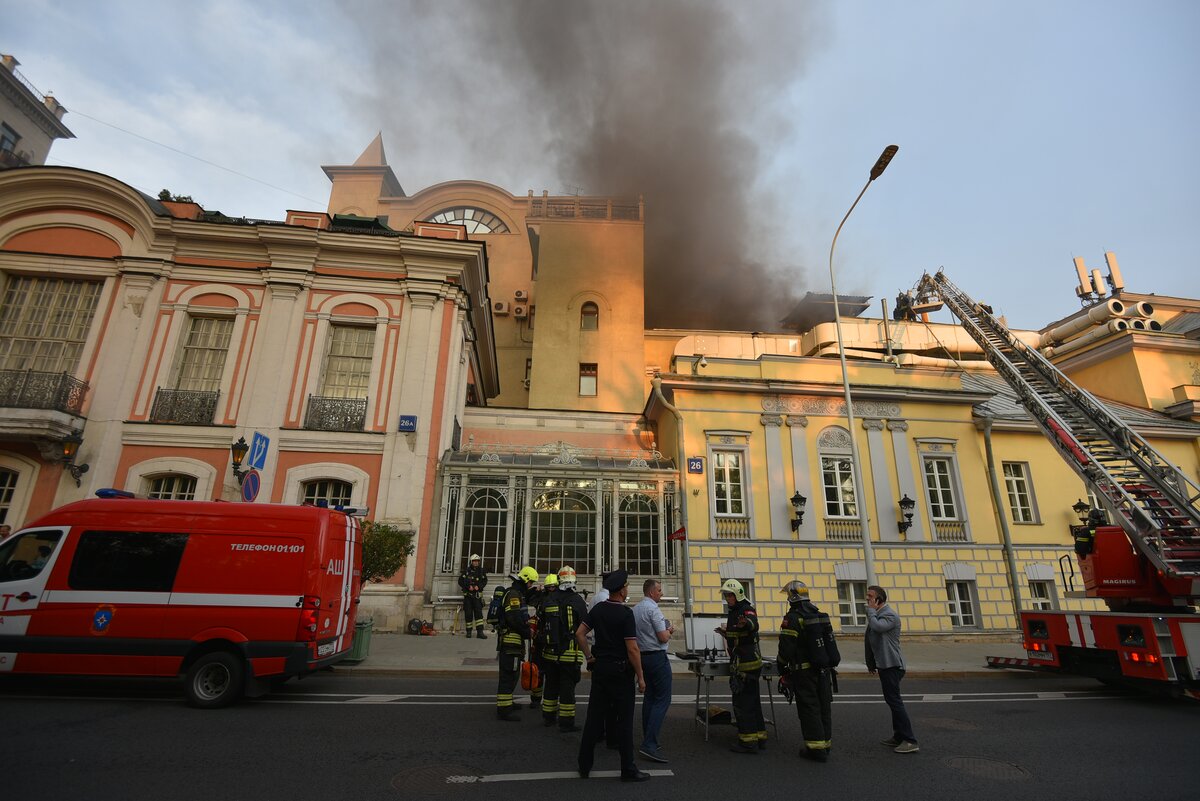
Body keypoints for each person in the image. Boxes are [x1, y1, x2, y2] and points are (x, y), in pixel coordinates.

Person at [576, 569, 649, 782]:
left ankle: (584, 765)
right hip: (620, 673)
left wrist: (589, 656)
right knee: (624, 722)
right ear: (622, 590)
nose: (627, 589)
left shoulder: (598, 609)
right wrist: (641, 676)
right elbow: (633, 649)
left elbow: (580, 634)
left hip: (600, 670)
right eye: (626, 586)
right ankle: (628, 769)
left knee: (594, 719)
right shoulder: (626, 614)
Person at [777, 580, 835, 762]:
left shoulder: (793, 618)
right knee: (823, 706)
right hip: (824, 670)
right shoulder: (819, 614)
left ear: (792, 597)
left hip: (804, 673)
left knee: (809, 708)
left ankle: (815, 750)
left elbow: (786, 649)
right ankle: (825, 745)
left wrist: (780, 665)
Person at [865, 585, 919, 754]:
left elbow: (878, 628)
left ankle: (910, 740)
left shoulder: (889, 615)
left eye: (870, 597)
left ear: (878, 599)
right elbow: (870, 641)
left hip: (893, 665)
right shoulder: (878, 615)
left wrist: (871, 612)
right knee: (892, 700)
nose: (867, 599)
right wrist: (871, 663)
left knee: (895, 701)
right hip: (884, 665)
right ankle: (898, 736)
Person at [717, 578, 766, 753]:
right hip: (745, 662)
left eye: (729, 595)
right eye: (726, 595)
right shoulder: (735, 610)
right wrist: (726, 633)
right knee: (752, 702)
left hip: (746, 665)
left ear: (737, 595)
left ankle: (748, 742)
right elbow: (737, 633)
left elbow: (753, 623)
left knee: (743, 703)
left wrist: (747, 623)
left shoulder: (745, 609)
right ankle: (760, 737)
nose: (726, 598)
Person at [539, 565, 588, 731]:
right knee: (567, 689)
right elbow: (585, 626)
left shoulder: (549, 599)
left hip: (550, 653)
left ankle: (548, 717)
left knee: (551, 685)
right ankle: (566, 723)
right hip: (569, 654)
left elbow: (540, 622)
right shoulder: (577, 601)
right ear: (574, 581)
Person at [633, 578, 673, 764]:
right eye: (659, 590)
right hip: (657, 658)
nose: (661, 593)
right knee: (662, 699)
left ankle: (650, 740)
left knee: (649, 698)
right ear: (651, 592)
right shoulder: (653, 609)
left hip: (642, 657)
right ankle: (649, 744)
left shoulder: (636, 609)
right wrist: (670, 630)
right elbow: (663, 637)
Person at [496, 565, 540, 721]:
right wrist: (528, 632)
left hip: (513, 643)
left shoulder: (517, 593)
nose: (531, 585)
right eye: (531, 583)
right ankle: (504, 710)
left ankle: (507, 703)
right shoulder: (514, 595)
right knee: (508, 675)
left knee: (513, 674)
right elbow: (513, 618)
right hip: (510, 642)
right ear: (526, 580)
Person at [457, 553, 488, 639]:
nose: (476, 563)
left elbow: (485, 581)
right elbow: (460, 581)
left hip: (477, 597)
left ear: (479, 562)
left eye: (477, 561)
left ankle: (480, 632)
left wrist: (479, 586)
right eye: (474, 561)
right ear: (471, 562)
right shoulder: (466, 571)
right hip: (468, 597)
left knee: (479, 614)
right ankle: (469, 632)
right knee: (468, 614)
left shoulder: (481, 571)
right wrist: (467, 587)